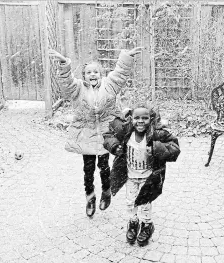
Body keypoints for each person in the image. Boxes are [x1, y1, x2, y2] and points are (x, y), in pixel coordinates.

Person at [49, 47, 143, 218]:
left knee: (105, 167)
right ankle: (90, 198)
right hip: (86, 136)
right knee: (88, 169)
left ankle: (106, 191)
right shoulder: (77, 89)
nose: (92, 75)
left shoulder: (109, 86)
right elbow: (66, 82)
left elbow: (120, 74)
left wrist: (126, 58)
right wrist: (64, 64)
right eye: (88, 72)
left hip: (106, 136)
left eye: (96, 72)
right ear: (84, 76)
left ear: (101, 74)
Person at [103, 104, 180, 246]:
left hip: (149, 176)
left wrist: (157, 148)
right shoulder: (125, 131)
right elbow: (108, 136)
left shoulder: (157, 133)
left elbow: (175, 147)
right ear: (131, 118)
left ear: (151, 119)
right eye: (137, 118)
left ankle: (147, 224)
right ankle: (133, 222)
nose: (140, 121)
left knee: (145, 202)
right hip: (130, 176)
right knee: (130, 201)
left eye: (144, 118)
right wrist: (114, 146)